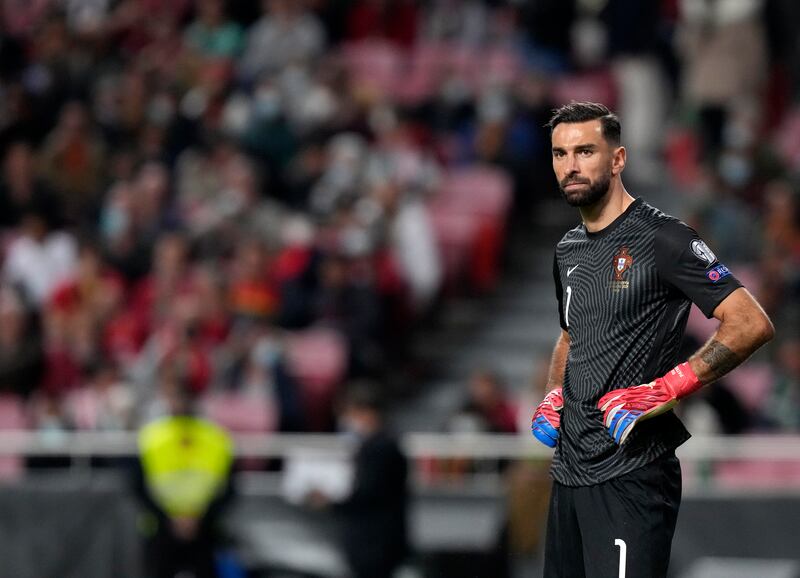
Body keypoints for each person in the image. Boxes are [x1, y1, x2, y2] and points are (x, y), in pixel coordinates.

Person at [529, 102, 774, 578]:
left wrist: (670, 386)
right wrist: (554, 390)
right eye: (560, 154)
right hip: (569, 475)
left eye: (584, 151)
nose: (571, 166)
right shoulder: (568, 250)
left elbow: (750, 322)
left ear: (618, 159)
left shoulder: (664, 238)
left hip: (631, 475)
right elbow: (570, 333)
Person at [134, 374, 234, 578]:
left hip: (204, 531)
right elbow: (137, 485)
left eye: (182, 396)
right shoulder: (151, 437)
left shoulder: (216, 438)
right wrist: (170, 518)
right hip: (160, 529)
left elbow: (230, 488)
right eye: (173, 396)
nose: (178, 402)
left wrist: (199, 518)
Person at [336, 383, 409, 578]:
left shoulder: (381, 448)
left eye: (351, 413)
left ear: (368, 412)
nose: (348, 420)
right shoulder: (375, 445)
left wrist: (331, 500)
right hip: (373, 543)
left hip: (376, 544)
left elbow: (367, 493)